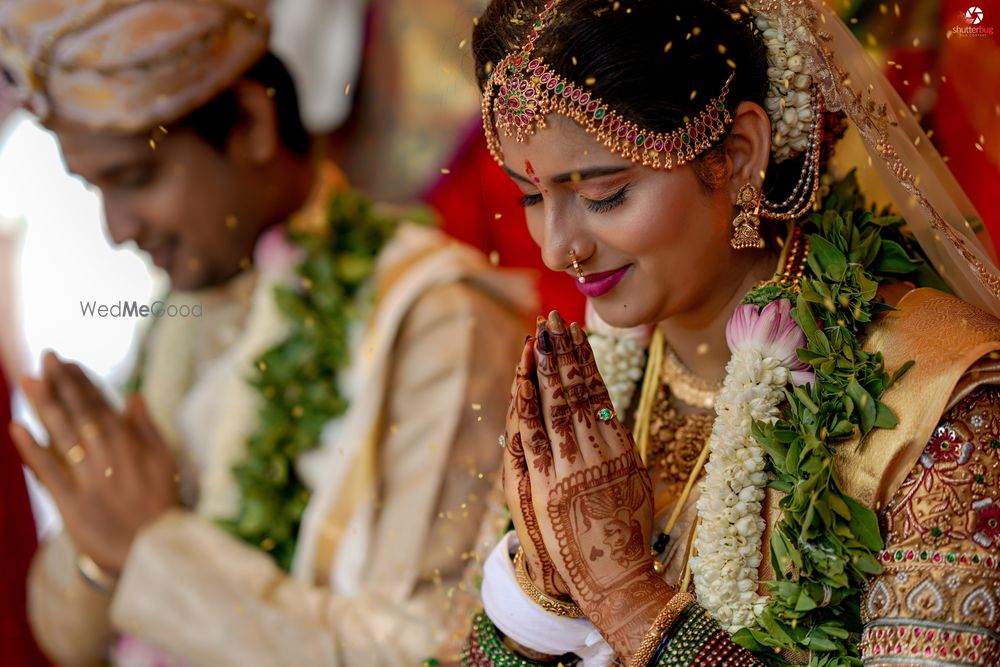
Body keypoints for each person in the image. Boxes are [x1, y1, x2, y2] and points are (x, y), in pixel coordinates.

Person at [456, 0, 1000, 665]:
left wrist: (629, 596)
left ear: (737, 156)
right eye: (532, 196)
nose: (556, 246)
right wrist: (544, 588)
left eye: (604, 195)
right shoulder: (588, 384)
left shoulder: (935, 398)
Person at [0, 1, 534, 665]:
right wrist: (102, 551)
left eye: (136, 178)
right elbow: (63, 636)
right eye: (94, 189)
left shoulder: (438, 321)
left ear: (250, 124)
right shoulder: (180, 322)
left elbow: (430, 649)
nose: (117, 229)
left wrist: (149, 547)